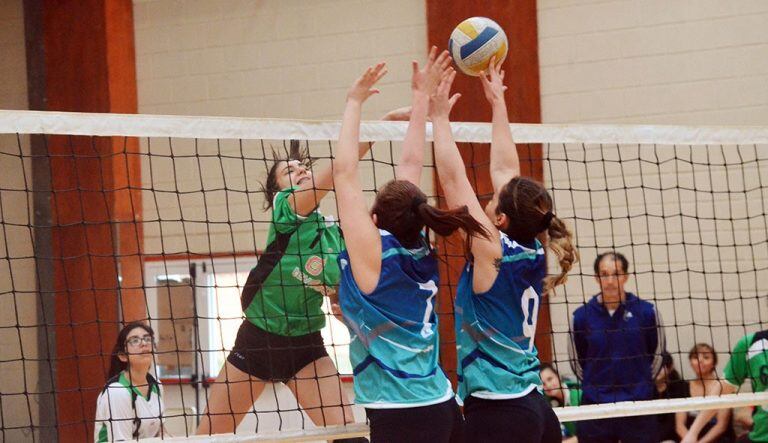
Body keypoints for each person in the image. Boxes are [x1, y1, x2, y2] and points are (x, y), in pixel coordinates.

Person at [197, 101, 409, 438]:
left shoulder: (334, 235)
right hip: (257, 341)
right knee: (209, 436)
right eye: (288, 171)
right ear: (278, 190)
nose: (299, 170)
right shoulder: (286, 211)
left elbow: (342, 288)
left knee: (349, 435)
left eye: (301, 166)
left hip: (305, 345)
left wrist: (345, 306)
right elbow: (342, 168)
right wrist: (378, 126)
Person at [334, 49, 478, 443]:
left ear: (376, 220)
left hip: (401, 414)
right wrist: (420, 104)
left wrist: (354, 102)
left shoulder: (373, 255)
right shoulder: (420, 247)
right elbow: (411, 166)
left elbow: (344, 173)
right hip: (442, 402)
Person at [431, 57, 577, 443]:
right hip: (534, 407)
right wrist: (497, 103)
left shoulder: (491, 250)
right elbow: (506, 169)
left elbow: (451, 178)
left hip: (500, 411)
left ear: (501, 220)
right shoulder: (533, 248)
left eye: (495, 200)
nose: (491, 196)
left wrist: (439, 117)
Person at [569, 251, 665, 443]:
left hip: (638, 405)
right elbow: (577, 363)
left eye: (617, 274)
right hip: (596, 407)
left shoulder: (647, 312)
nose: (611, 280)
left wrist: (640, 385)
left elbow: (657, 356)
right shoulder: (581, 316)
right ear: (597, 278)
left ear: (626, 276)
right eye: (604, 274)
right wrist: (597, 386)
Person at [95, 322, 166, 442]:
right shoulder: (117, 392)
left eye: (148, 339)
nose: (144, 343)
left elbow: (161, 434)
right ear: (123, 356)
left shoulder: (156, 385)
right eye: (135, 340)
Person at [677, 344, 734, 443]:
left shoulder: (722, 386)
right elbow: (680, 425)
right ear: (690, 362)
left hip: (719, 440)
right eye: (695, 357)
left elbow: (721, 426)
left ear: (714, 363)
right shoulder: (683, 387)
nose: (700, 360)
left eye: (706, 357)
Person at [541, 364, 582, 442]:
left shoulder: (577, 395)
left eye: (550, 379)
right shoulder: (548, 403)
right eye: (543, 384)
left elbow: (590, 432)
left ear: (558, 376)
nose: (548, 385)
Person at [656, 351, 687, 442]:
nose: (657, 370)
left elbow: (680, 425)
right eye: (654, 366)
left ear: (670, 368)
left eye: (661, 366)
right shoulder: (642, 390)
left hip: (670, 439)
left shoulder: (679, 386)